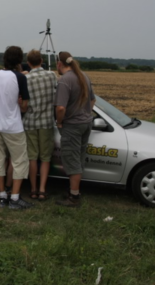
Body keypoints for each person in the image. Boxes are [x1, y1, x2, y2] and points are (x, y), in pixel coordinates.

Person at [0, 46, 33, 210]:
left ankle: (2, 197)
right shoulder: (20, 77)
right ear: (19, 60)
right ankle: (14, 198)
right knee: (19, 161)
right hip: (13, 125)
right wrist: (21, 105)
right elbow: (25, 105)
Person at [55, 51, 96, 207]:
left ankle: (74, 197)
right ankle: (75, 191)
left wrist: (59, 122)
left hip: (72, 126)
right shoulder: (84, 76)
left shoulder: (65, 81)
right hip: (86, 124)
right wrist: (86, 113)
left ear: (59, 64)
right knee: (79, 159)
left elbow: (60, 108)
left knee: (71, 161)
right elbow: (93, 99)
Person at [22, 49, 57, 201]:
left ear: (28, 63)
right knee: (45, 158)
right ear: (42, 61)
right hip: (46, 122)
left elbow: (23, 103)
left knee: (32, 157)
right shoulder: (51, 76)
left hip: (29, 122)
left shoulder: (26, 79)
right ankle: (42, 189)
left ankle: (33, 188)